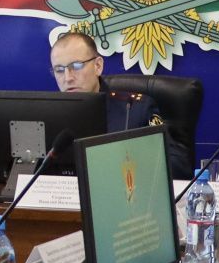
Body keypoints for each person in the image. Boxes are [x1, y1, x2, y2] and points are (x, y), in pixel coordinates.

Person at [48, 30, 188, 178]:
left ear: (98, 66)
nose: (67, 78)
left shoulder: (135, 109)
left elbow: (178, 166)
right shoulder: (50, 115)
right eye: (59, 70)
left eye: (76, 66)